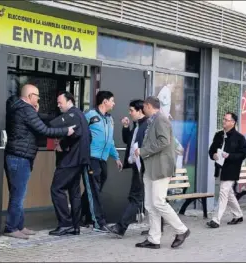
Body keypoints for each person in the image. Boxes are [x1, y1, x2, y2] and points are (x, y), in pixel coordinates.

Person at [3, 84, 75, 239]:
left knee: (17, 193)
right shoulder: (26, 109)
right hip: (20, 157)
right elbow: (44, 130)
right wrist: (66, 131)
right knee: (18, 195)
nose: (39, 99)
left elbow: (41, 120)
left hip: (16, 155)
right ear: (30, 96)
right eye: (37, 96)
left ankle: (19, 225)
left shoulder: (19, 108)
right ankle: (11, 228)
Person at [134, 96, 190, 249]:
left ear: (148, 105)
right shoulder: (154, 119)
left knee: (158, 202)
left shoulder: (161, 119)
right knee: (150, 205)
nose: (142, 109)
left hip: (160, 168)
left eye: (143, 106)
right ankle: (154, 239)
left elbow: (164, 141)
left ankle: (182, 230)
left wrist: (143, 151)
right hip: (151, 168)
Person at [49, 92, 91, 236]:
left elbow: (52, 124)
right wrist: (64, 142)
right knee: (74, 192)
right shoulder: (81, 115)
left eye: (60, 102)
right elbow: (79, 135)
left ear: (70, 101)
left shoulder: (72, 115)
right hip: (79, 159)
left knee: (56, 189)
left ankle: (65, 224)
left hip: (71, 160)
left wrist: (61, 143)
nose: (58, 105)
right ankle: (75, 225)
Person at [80, 91, 123, 232]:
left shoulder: (109, 119)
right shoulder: (89, 115)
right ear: (104, 101)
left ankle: (82, 216)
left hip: (102, 160)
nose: (114, 103)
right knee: (94, 190)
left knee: (93, 190)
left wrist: (116, 157)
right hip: (91, 158)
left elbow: (110, 141)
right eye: (112, 100)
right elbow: (80, 134)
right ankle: (98, 222)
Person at [107, 99, 148, 238]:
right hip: (137, 167)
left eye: (131, 110)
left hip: (143, 168)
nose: (129, 113)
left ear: (140, 111)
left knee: (136, 198)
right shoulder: (137, 126)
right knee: (147, 199)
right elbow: (128, 141)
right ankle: (157, 228)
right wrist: (125, 127)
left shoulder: (147, 126)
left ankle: (121, 226)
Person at [207, 112, 246, 228]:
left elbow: (243, 154)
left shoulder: (239, 138)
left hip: (231, 169)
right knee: (229, 194)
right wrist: (213, 155)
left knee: (223, 192)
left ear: (233, 122)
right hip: (219, 168)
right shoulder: (218, 135)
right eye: (223, 119)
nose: (224, 121)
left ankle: (216, 219)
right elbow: (211, 150)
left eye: (226, 120)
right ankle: (238, 214)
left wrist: (229, 156)